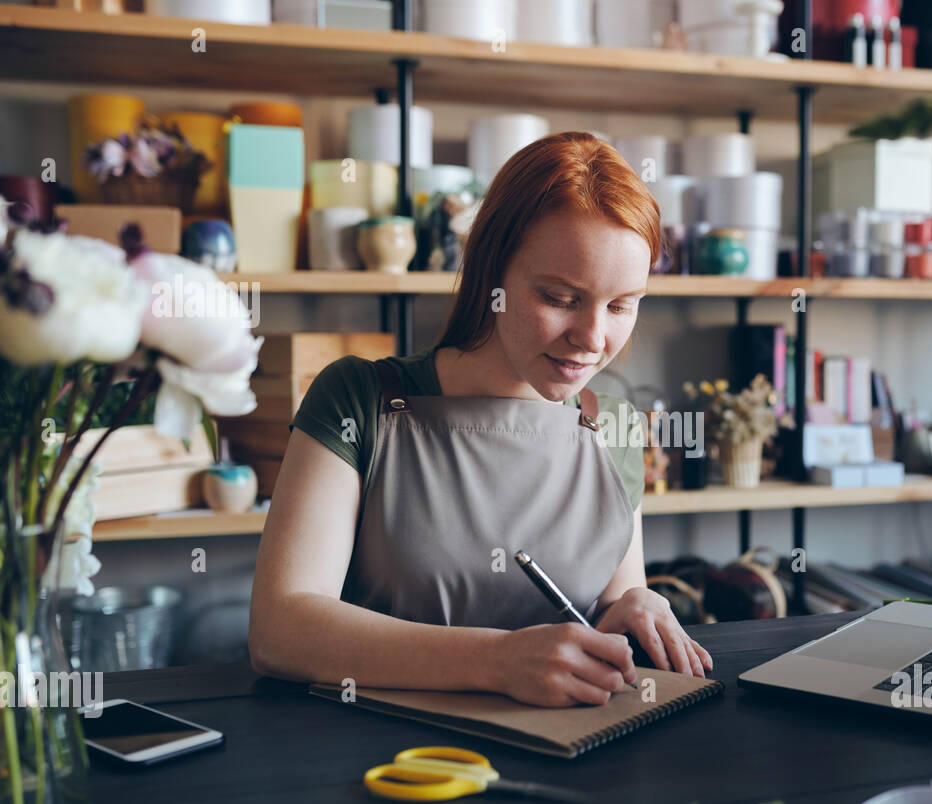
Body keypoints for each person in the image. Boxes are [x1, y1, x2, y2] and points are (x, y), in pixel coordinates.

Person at [249, 131, 713, 707]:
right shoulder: (356, 399)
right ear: (490, 270)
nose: (592, 340)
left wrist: (634, 607)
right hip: (388, 768)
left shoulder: (612, 423)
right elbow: (280, 629)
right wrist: (497, 661)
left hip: (573, 758)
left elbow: (608, 609)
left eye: (621, 305)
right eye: (561, 298)